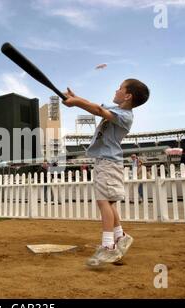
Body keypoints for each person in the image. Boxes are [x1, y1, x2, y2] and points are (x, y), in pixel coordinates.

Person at [62, 78, 150, 267]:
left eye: (120, 88)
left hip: (109, 162)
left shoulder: (126, 115)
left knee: (103, 202)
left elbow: (98, 111)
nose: (116, 90)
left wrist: (76, 103)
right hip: (105, 161)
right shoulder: (117, 108)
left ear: (128, 96)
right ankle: (120, 237)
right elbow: (97, 106)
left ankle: (108, 246)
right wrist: (75, 98)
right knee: (109, 202)